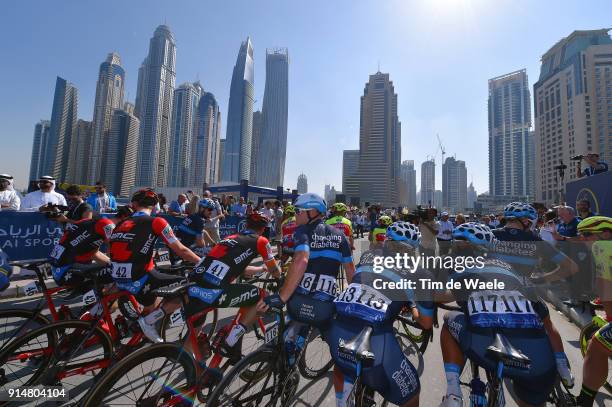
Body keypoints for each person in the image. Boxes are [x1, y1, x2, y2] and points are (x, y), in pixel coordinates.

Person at [326, 221, 433, 407]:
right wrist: (413, 307)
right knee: (412, 394)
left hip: (337, 330)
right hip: (376, 340)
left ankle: (341, 402)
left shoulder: (368, 255)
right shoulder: (419, 272)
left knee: (342, 364)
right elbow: (425, 323)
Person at [438, 258, 559, 407]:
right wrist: (561, 363)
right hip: (540, 363)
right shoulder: (520, 280)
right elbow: (549, 325)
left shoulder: (464, 274)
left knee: (448, 319)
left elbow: (439, 296)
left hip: (485, 346)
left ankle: (453, 393)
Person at [489, 201, 578, 388]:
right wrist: (541, 280)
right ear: (526, 221)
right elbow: (571, 267)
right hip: (526, 296)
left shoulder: (490, 236)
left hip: (494, 297)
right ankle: (563, 367)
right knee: (548, 325)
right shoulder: (536, 241)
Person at [262, 193, 355, 369]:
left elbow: (301, 260)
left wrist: (281, 297)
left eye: (298, 211)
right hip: (324, 307)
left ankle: (285, 363)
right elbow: (351, 272)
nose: (294, 214)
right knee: (340, 348)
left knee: (290, 326)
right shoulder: (340, 237)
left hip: (298, 302)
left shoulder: (303, 231)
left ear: (312, 212)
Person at [187, 211, 282, 362]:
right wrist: (280, 277)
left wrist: (260, 269)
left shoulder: (229, 238)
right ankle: (230, 342)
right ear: (263, 229)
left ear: (246, 224)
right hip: (214, 292)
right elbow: (275, 271)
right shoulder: (261, 241)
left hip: (194, 285)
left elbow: (236, 267)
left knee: (196, 327)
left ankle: (187, 361)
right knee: (261, 297)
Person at [109, 189, 201, 343]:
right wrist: (203, 262)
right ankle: (148, 322)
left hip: (117, 277)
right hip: (139, 278)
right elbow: (182, 250)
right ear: (154, 206)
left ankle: (140, 326)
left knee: (152, 294)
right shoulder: (157, 221)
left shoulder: (121, 223)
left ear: (134, 204)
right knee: (188, 288)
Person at [575, 216, 612, 407]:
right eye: (581, 235)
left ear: (605, 234)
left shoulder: (603, 249)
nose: (583, 239)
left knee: (597, 344)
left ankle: (584, 400)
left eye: (587, 235)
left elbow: (606, 292)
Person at [49, 207, 131, 287]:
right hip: (67, 272)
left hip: (60, 271)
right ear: (124, 217)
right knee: (117, 273)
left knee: (113, 269)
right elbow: (113, 250)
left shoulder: (95, 223)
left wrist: (111, 263)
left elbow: (94, 254)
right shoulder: (108, 225)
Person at [169, 198, 217, 263]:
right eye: (210, 209)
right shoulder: (200, 220)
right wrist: (206, 247)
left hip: (181, 243)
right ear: (202, 208)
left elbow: (203, 231)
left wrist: (213, 243)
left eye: (212, 210)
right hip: (186, 247)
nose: (211, 212)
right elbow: (200, 243)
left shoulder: (193, 216)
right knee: (213, 253)